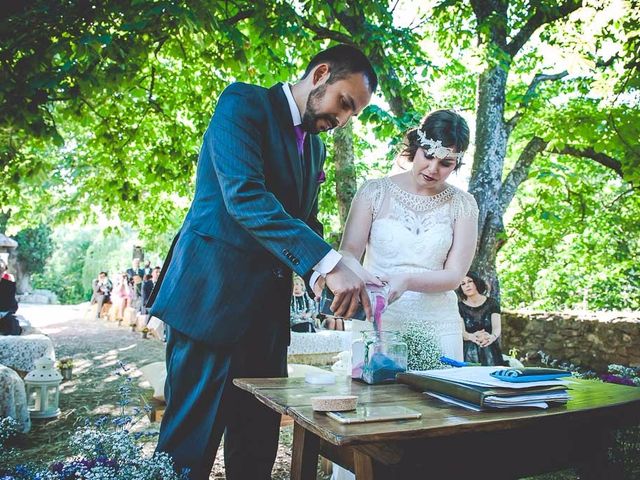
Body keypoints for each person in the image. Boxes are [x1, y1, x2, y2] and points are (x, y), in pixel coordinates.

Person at [149, 44, 379, 479]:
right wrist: (327, 263)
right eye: (343, 103)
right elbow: (245, 197)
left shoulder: (315, 150)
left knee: (257, 451)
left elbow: (302, 220)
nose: (343, 119)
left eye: (353, 114)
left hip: (267, 323)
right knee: (188, 451)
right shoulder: (243, 103)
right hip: (210, 306)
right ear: (320, 74)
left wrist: (335, 271)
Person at [339, 110, 478, 361]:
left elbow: (455, 275)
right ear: (417, 146)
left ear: (456, 164)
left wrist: (406, 280)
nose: (433, 169)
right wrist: (362, 281)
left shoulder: (464, 205)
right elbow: (348, 254)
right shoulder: (374, 192)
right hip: (379, 322)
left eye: (445, 164)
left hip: (438, 326)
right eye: (429, 156)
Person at [457, 272, 505, 366]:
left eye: (470, 281)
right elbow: (463, 332)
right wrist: (473, 337)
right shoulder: (459, 307)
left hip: (490, 348)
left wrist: (491, 337)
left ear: (476, 282)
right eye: (463, 284)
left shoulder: (492, 303)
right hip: (469, 353)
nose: (467, 286)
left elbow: (497, 328)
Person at [0, 259, 20, 336]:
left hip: (3, 317)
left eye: (1, 271)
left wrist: (2, 314)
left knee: (12, 323)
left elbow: (13, 306)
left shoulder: (9, 286)